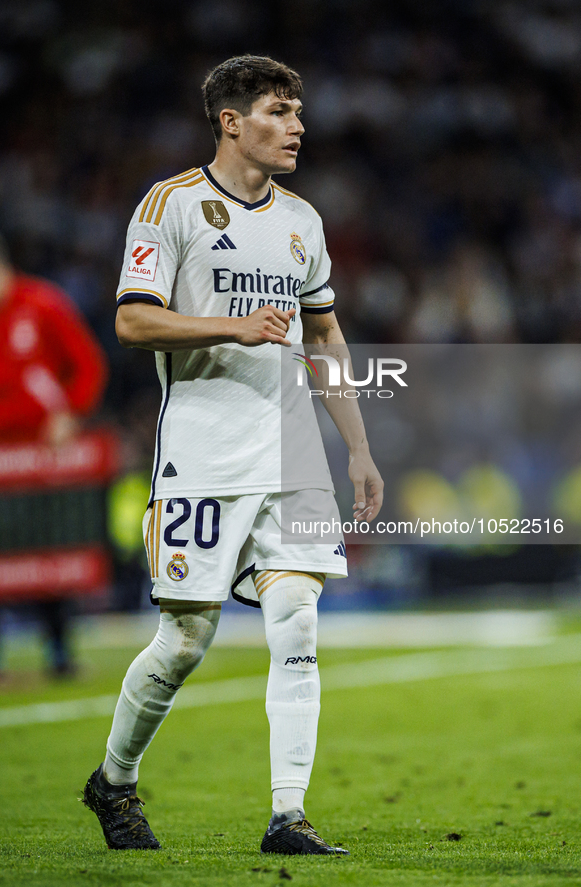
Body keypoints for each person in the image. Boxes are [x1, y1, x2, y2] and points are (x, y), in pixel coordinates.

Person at [82, 55, 383, 855]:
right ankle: (113, 781)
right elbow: (133, 322)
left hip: (292, 453)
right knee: (185, 638)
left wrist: (356, 447)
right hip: (203, 454)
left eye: (297, 113)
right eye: (280, 112)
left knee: (297, 620)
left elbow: (324, 336)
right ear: (231, 121)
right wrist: (233, 326)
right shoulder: (169, 205)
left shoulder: (302, 221)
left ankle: (289, 814)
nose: (297, 127)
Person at [0, 226, 108, 676]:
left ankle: (59, 649)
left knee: (49, 556)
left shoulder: (41, 303)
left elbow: (87, 365)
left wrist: (71, 414)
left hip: (40, 462)